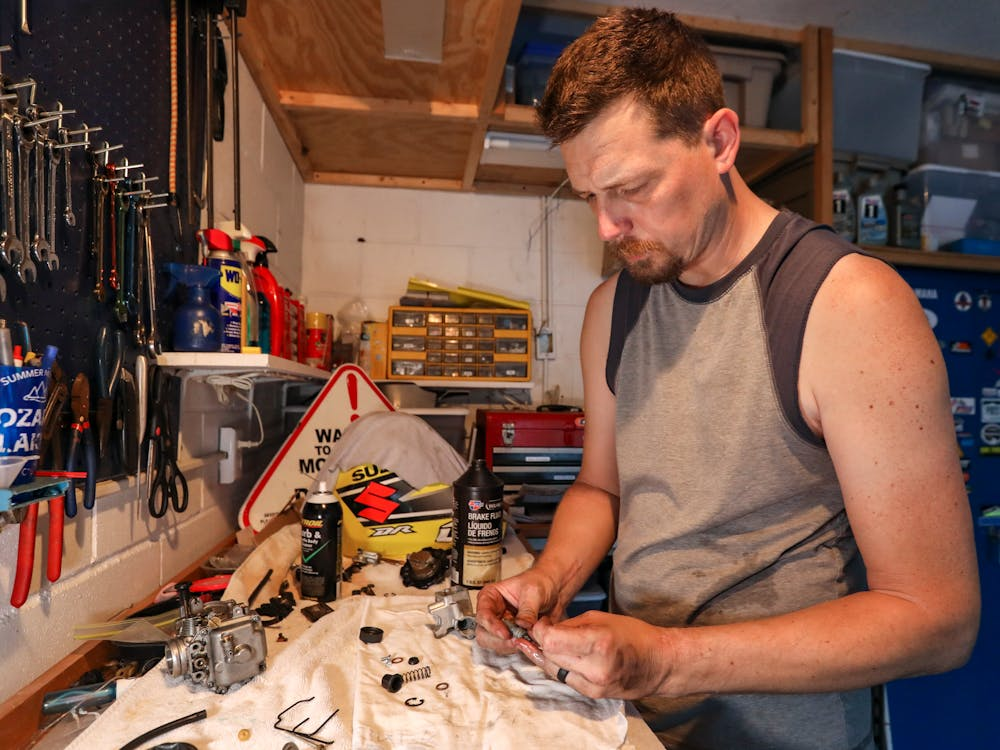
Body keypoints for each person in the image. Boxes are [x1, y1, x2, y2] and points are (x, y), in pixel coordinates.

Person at [474, 8, 980, 749]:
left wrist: (667, 660)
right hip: (633, 723)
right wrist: (546, 580)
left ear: (718, 140)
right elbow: (601, 489)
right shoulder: (614, 307)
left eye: (633, 187)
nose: (608, 228)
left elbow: (938, 620)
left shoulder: (847, 305)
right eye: (589, 196)